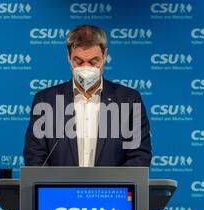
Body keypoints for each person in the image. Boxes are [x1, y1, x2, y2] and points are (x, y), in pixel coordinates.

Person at [23, 25, 152, 167]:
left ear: (104, 56)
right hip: (60, 189)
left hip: (111, 189)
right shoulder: (46, 100)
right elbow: (35, 156)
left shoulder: (129, 100)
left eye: (93, 61)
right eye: (78, 61)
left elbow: (139, 156)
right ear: (68, 57)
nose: (85, 68)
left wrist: (113, 188)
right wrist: (57, 188)